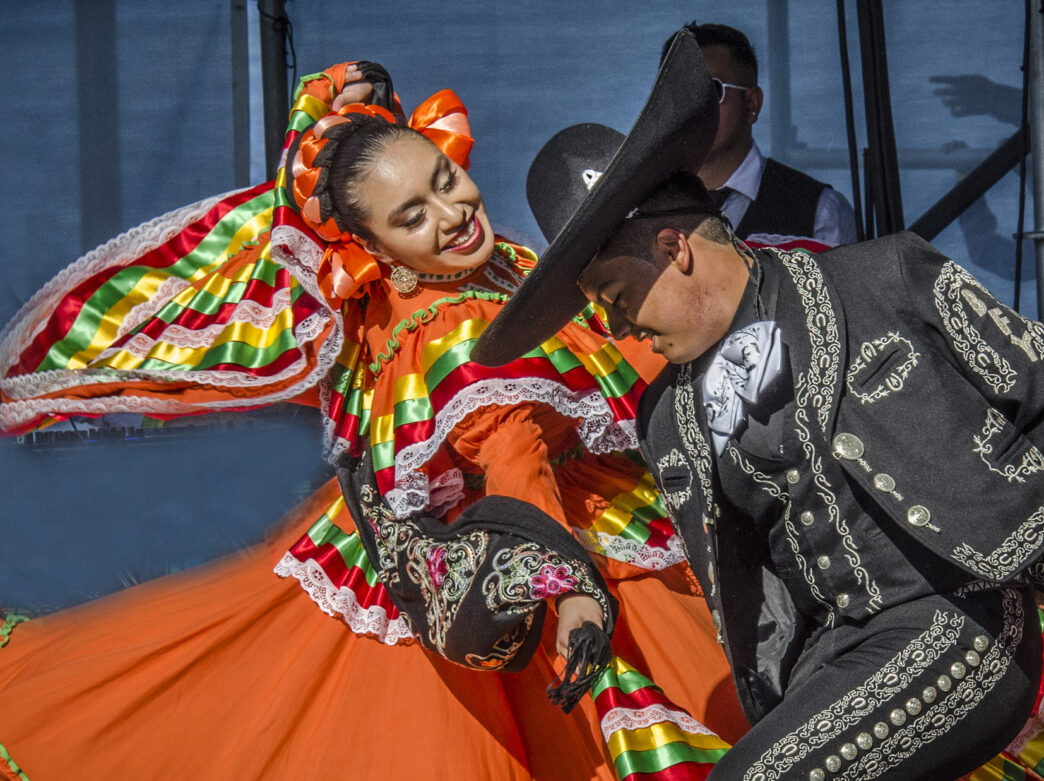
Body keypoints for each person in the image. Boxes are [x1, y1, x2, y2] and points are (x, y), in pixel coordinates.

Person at [0, 59, 745, 780]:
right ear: (372, 244)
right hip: (518, 545)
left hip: (428, 543)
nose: (452, 216)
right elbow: (511, 448)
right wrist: (568, 586)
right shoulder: (453, 321)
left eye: (446, 180)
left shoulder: (398, 292)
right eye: (412, 216)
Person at [474, 28, 1044, 780]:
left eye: (614, 298)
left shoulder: (883, 278)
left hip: (964, 618)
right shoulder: (667, 418)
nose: (615, 327)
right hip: (833, 660)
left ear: (675, 247)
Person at [669, 22, 857, 246]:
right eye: (675, 91)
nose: (692, 105)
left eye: (711, 89)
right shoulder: (633, 207)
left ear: (751, 104)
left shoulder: (821, 213)